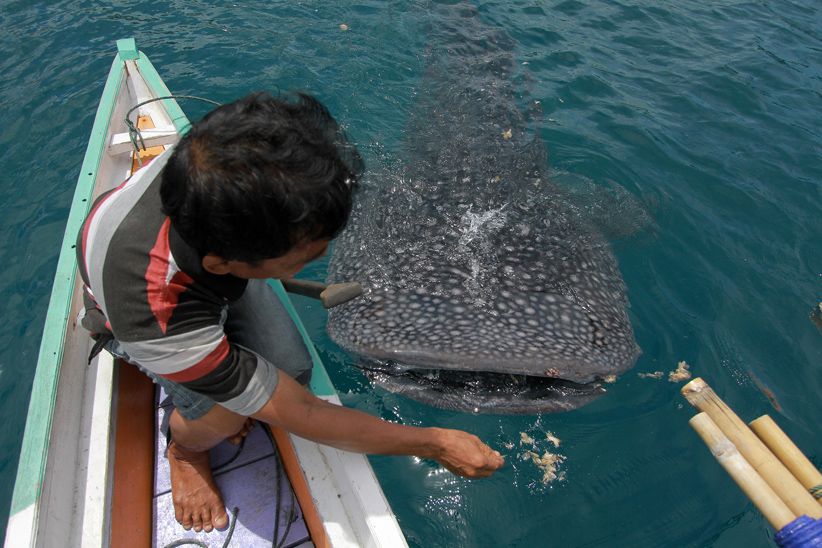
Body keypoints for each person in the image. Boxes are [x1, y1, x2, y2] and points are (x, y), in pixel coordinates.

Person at [76, 92, 504, 533]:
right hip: (142, 317)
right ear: (228, 264)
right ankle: (185, 453)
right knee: (228, 414)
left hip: (198, 267)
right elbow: (306, 414)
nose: (319, 260)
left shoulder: (216, 164)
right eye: (304, 256)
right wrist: (434, 443)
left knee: (292, 367)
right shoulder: (159, 320)